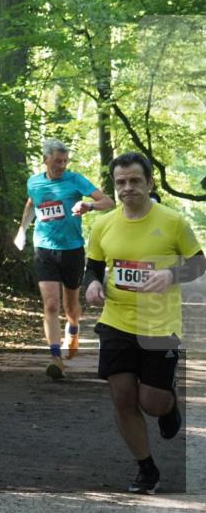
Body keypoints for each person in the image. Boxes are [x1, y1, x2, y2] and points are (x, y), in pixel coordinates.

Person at [84, 151, 204, 494]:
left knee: (150, 402)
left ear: (149, 183)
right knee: (122, 397)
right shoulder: (103, 223)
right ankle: (146, 469)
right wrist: (93, 282)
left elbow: (198, 264)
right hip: (116, 320)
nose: (127, 188)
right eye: (120, 182)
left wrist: (170, 274)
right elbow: (93, 265)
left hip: (159, 323)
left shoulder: (173, 222)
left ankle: (168, 405)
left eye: (135, 181)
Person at [14, 139, 113, 378]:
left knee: (70, 307)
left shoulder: (75, 180)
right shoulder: (34, 182)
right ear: (45, 159)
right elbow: (31, 205)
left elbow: (108, 202)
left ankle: (74, 329)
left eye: (65, 161)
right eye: (58, 161)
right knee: (50, 304)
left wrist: (88, 206)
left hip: (72, 250)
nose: (62, 165)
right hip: (43, 249)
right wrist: (22, 231)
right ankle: (56, 358)